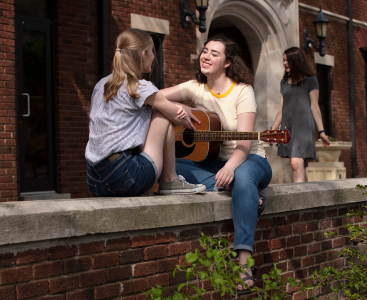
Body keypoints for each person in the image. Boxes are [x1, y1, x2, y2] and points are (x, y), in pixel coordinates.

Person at [160, 35, 272, 294]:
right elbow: (152, 97)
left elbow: (244, 144)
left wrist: (231, 167)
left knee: (243, 178)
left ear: (228, 62)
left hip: (250, 159)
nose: (206, 56)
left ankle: (244, 266)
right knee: (168, 165)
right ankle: (245, 195)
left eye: (214, 54)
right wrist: (178, 108)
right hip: (212, 163)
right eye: (205, 51)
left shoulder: (243, 91)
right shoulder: (194, 88)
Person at [85, 28, 206, 197]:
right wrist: (179, 107)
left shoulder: (102, 85)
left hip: (94, 180)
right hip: (124, 177)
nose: (154, 57)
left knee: (155, 109)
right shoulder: (140, 87)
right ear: (143, 54)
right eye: (152, 52)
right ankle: (170, 181)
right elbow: (177, 117)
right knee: (162, 115)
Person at [271, 47, 330, 182]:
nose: (285, 63)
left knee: (296, 164)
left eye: (288, 60)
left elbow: (315, 107)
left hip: (303, 128)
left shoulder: (310, 80)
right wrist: (273, 130)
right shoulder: (284, 82)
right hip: (287, 128)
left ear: (296, 61)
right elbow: (281, 109)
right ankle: (308, 196)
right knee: (298, 166)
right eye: (284, 60)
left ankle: (298, 200)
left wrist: (321, 131)